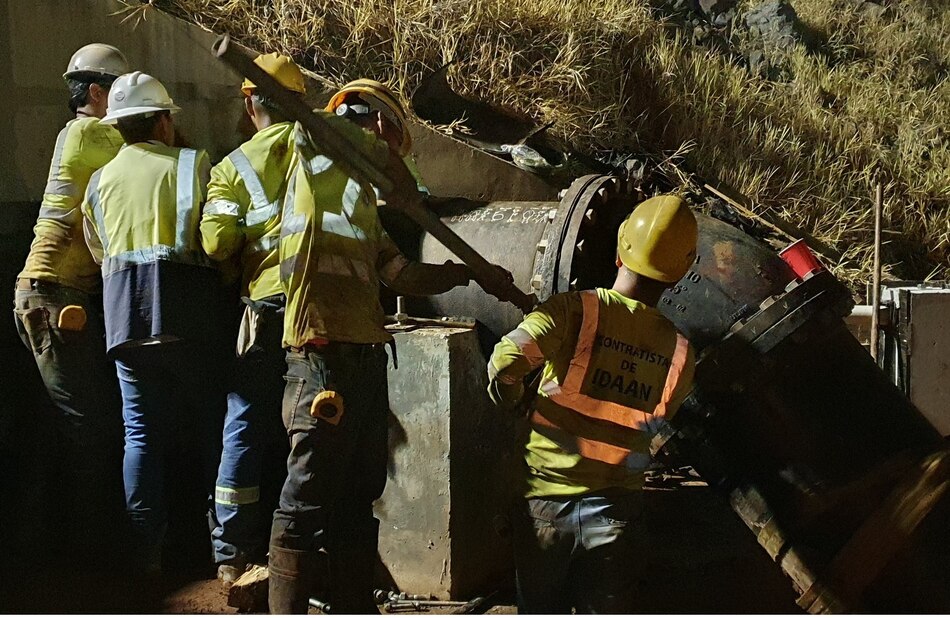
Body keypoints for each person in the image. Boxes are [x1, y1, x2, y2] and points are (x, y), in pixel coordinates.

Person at [268, 79, 511, 613]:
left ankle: (354, 605)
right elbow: (339, 132)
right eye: (394, 139)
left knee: (359, 497)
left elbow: (399, 274)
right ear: (376, 124)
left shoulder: (359, 211)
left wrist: (459, 274)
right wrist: (396, 172)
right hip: (320, 356)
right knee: (305, 500)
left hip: (364, 358)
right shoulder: (312, 151)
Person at [486, 195, 698, 614]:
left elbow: (505, 362)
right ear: (678, 276)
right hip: (617, 513)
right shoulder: (680, 352)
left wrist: (511, 398)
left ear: (620, 253)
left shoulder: (577, 311)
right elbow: (659, 421)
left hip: (546, 502)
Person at [81, 71, 227, 574]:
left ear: (118, 127)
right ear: (165, 121)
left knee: (139, 434)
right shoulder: (193, 164)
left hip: (124, 317)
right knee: (214, 424)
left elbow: (98, 247)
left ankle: (145, 552)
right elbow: (217, 239)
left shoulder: (99, 182)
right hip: (189, 313)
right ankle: (222, 546)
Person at [12, 43, 128, 565]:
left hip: (51, 292)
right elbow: (149, 148)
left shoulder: (78, 134)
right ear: (98, 93)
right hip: (55, 295)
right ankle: (89, 555)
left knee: (63, 422)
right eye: (121, 98)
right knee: (87, 427)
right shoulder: (91, 134)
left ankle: (46, 545)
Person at [200, 52, 306, 584]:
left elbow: (217, 244)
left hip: (265, 306)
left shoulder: (232, 168)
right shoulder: (323, 147)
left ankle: (233, 550)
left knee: (244, 421)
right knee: (311, 426)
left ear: (250, 102)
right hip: (321, 307)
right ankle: (307, 543)